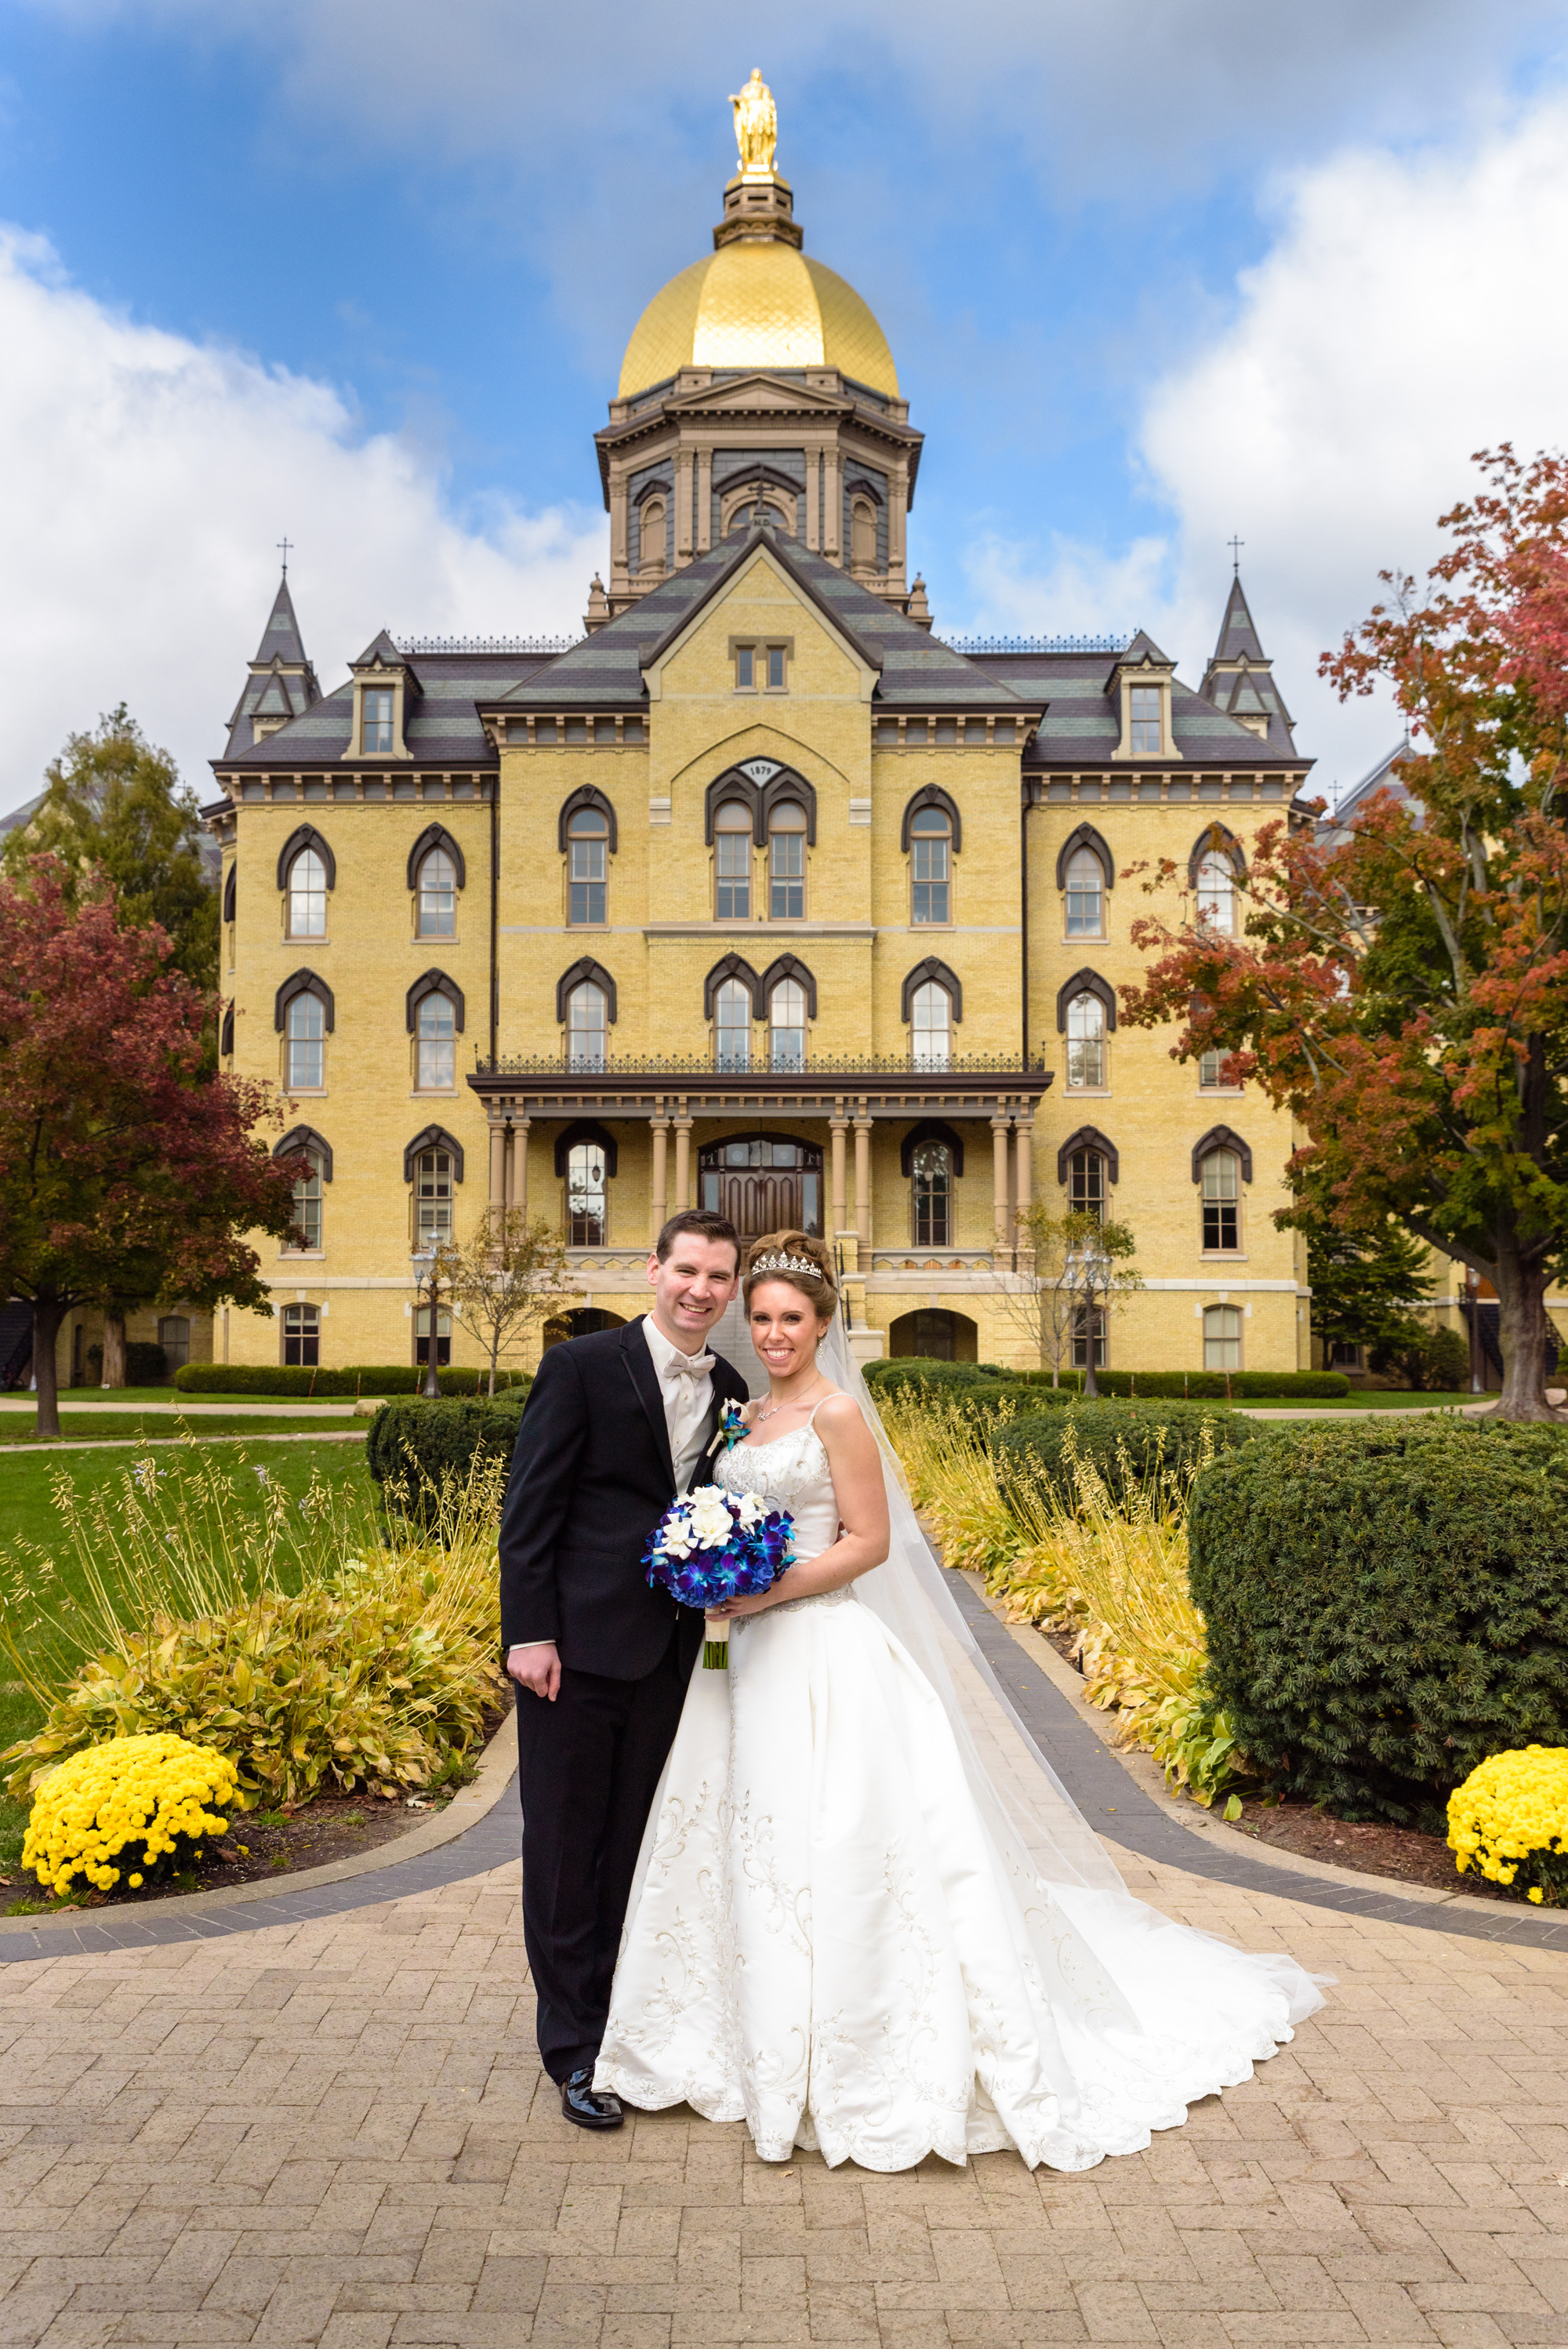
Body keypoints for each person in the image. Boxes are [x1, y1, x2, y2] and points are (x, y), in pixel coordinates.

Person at [594, 1230, 1327, 2173]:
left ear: (824, 1324)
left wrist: (764, 1589)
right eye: (762, 1317)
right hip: (741, 1658)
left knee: (838, 1840)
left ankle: (850, 2052)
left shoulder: (837, 1414)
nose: (773, 1334)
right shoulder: (743, 1418)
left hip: (821, 1649)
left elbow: (866, 1541)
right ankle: (732, 2033)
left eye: (791, 1319)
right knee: (738, 1830)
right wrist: (708, 1565)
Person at [499, 1208, 751, 2131]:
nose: (701, 1289)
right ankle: (571, 2049)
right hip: (570, 1650)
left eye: (718, 1277)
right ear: (652, 1269)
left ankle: (623, 2021)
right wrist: (528, 1632)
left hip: (669, 1650)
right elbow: (530, 1506)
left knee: (635, 1850)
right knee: (564, 1851)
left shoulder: (728, 1381)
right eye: (687, 1269)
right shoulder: (579, 1365)